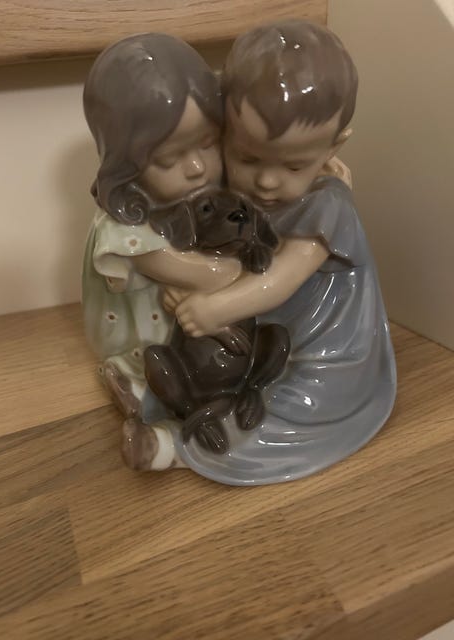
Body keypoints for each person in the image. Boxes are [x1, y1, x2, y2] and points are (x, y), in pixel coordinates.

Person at [168, 20, 397, 485]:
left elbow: (282, 278)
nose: (268, 181)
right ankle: (173, 422)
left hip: (326, 355)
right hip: (260, 341)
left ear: (334, 147)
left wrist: (215, 308)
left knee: (262, 431)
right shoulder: (237, 195)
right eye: (248, 157)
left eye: (295, 165)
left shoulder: (329, 205)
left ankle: (169, 448)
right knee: (207, 386)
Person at [82, 33, 241, 467]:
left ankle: (158, 409)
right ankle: (145, 399)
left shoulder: (205, 194)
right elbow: (174, 265)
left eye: (208, 143)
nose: (197, 167)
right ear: (126, 163)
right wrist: (223, 274)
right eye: (169, 160)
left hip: (194, 328)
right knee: (187, 372)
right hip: (148, 336)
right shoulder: (124, 223)